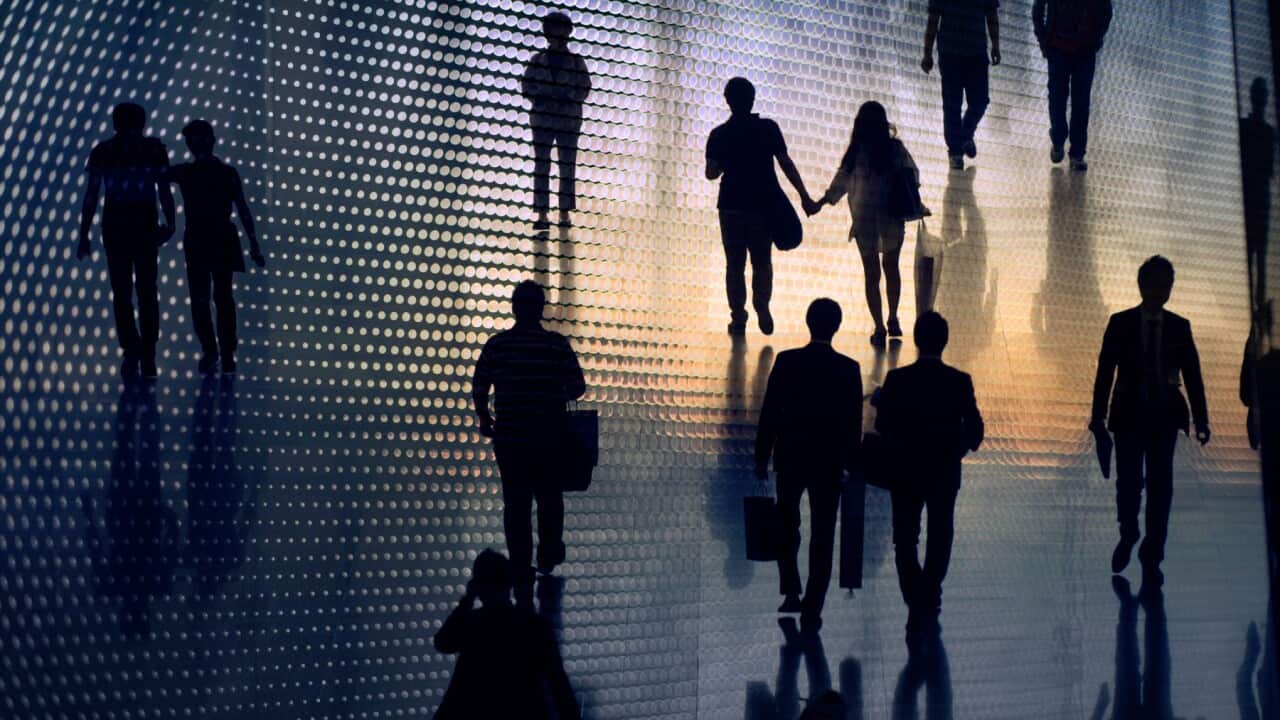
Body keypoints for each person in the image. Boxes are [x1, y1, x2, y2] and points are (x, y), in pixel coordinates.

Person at [1091, 256, 1209, 588]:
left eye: (1165, 286)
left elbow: (1193, 375)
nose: (1160, 292)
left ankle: (1152, 553)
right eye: (1155, 285)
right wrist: (1097, 417)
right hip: (1129, 416)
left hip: (1163, 418)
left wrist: (1201, 418)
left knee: (1160, 487)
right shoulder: (1120, 323)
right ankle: (1129, 533)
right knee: (1129, 483)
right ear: (1142, 286)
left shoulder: (1179, 327)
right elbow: (1105, 372)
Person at [754, 298, 862, 632]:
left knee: (787, 525)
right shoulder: (849, 368)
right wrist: (851, 465)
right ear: (836, 326)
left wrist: (762, 456)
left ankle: (791, 590)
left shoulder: (787, 361)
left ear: (808, 322)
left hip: (790, 457)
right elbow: (853, 425)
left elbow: (770, 411)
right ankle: (813, 608)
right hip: (829, 464)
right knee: (823, 535)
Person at [875, 312, 983, 641]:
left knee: (905, 539)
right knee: (940, 535)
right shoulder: (959, 381)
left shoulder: (897, 380)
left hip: (905, 472)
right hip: (944, 472)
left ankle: (915, 599)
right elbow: (975, 432)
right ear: (945, 341)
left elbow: (883, 426)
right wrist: (959, 447)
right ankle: (929, 592)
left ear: (917, 339)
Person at [473, 281, 586, 582]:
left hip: (510, 441)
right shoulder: (556, 345)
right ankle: (548, 556)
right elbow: (578, 387)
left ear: (514, 307)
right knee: (550, 499)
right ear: (541, 309)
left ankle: (521, 566)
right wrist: (552, 391)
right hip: (550, 440)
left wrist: (485, 418)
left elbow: (480, 384)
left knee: (516, 505)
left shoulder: (497, 345)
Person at [706, 77, 815, 336]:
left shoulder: (719, 134)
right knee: (762, 261)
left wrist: (724, 162)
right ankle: (762, 306)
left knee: (734, 264)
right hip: (761, 206)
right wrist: (804, 196)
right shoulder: (768, 128)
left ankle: (738, 318)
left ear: (727, 100)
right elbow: (786, 163)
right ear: (752, 99)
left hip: (731, 205)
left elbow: (710, 173)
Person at [810, 101, 921, 348]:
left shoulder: (856, 152)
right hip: (892, 216)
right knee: (892, 267)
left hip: (864, 219)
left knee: (871, 274)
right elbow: (911, 176)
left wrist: (820, 202)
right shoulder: (894, 149)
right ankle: (893, 318)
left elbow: (840, 184)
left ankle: (879, 327)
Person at [78, 102, 176, 380]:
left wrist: (84, 234)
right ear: (142, 123)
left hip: (116, 224)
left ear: (115, 123)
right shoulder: (153, 150)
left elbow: (92, 195)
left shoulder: (103, 151)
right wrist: (170, 223)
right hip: (143, 224)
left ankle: (133, 350)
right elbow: (164, 190)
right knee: (146, 291)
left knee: (122, 292)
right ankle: (147, 353)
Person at [433, 549, 579, 720]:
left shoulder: (472, 624)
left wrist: (467, 600)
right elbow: (558, 683)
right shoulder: (534, 625)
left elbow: (443, 643)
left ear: (477, 586)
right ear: (509, 583)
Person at [167, 120, 265, 375]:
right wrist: (253, 243)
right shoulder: (221, 172)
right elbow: (242, 208)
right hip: (216, 237)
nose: (194, 145)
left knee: (210, 298)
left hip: (205, 238)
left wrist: (254, 242)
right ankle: (221, 352)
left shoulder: (190, 172)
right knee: (219, 298)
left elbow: (242, 207)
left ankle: (216, 351)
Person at [522, 11, 591, 231]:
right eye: (554, 28)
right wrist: (541, 98)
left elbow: (585, 87)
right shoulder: (537, 60)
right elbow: (526, 86)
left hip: (568, 120)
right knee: (542, 165)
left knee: (566, 165)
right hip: (542, 119)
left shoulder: (576, 61)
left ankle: (564, 213)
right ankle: (542, 214)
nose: (558, 33)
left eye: (562, 29)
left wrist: (568, 98)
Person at [1033, 0, 1113, 171]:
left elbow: (1038, 8)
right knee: (1076, 102)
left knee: (1063, 99)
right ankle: (1073, 151)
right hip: (1073, 50)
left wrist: (1043, 38)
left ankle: (1062, 142)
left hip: (1071, 49)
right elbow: (1106, 12)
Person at [921, 0, 1001, 169]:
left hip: (955, 51)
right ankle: (959, 144)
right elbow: (991, 14)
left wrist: (928, 53)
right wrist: (995, 45)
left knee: (957, 104)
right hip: (968, 51)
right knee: (971, 102)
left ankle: (959, 143)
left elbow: (934, 18)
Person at [1240, 78, 1274, 305]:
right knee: (1253, 252)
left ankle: (1259, 303)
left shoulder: (1268, 132)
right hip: (1252, 195)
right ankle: (1254, 303)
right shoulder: (1246, 128)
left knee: (1259, 253)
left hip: (1260, 196)